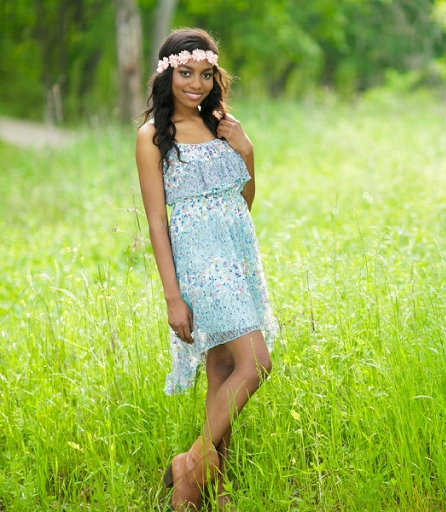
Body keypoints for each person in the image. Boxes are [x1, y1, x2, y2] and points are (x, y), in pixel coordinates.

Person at [135, 28, 279, 510]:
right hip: (199, 259)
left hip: (237, 254)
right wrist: (172, 297)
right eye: (185, 73)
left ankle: (209, 487)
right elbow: (157, 220)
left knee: (222, 369)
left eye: (204, 74)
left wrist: (247, 150)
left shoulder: (223, 125)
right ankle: (191, 466)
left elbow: (245, 202)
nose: (196, 83)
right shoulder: (153, 136)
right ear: (166, 74)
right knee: (256, 362)